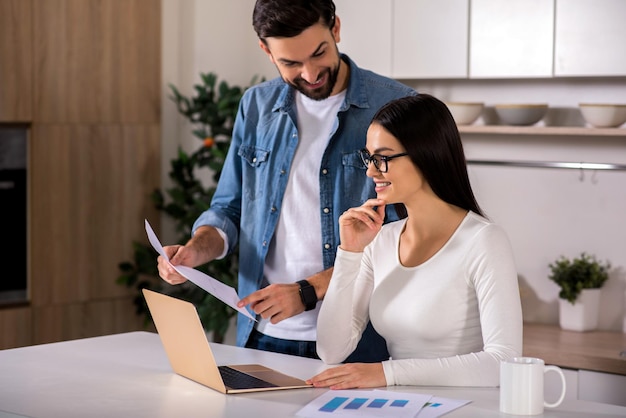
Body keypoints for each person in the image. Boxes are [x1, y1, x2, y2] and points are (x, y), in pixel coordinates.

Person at [156, 0, 416, 361]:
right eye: (291, 63)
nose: (310, 74)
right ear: (266, 50)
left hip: (358, 338)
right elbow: (229, 209)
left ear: (336, 28)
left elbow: (408, 236)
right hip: (259, 334)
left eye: (318, 53)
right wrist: (194, 251)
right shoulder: (256, 106)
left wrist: (307, 292)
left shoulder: (396, 106)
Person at [307, 94, 523, 389]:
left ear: (426, 154)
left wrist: (387, 374)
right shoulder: (381, 240)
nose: (371, 171)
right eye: (369, 158)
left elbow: (504, 362)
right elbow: (331, 350)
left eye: (382, 158)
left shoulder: (484, 240)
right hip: (401, 405)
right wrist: (349, 253)